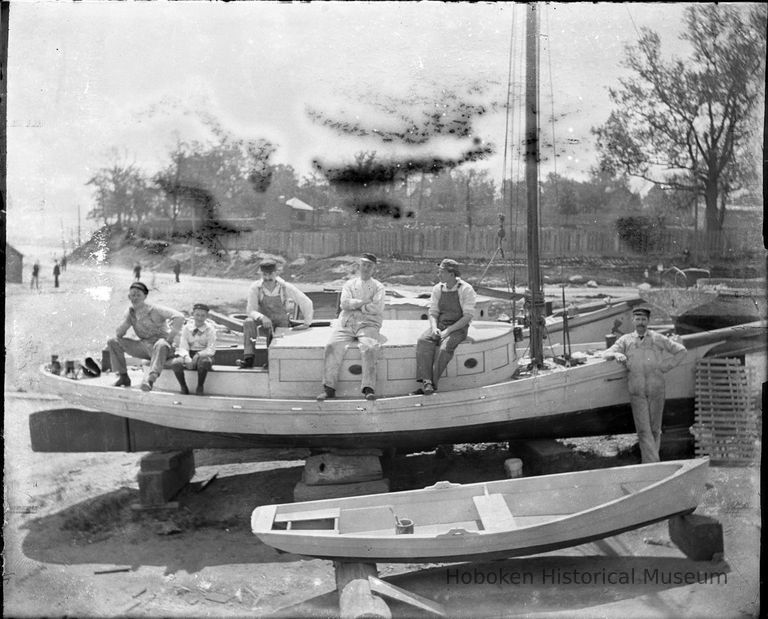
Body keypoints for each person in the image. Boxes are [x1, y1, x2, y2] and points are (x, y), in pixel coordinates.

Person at [602, 305, 687, 463]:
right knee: (643, 430)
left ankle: (650, 463)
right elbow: (605, 354)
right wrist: (616, 354)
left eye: (643, 319)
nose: (640, 322)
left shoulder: (657, 338)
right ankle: (653, 464)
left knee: (655, 429)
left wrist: (665, 366)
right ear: (633, 320)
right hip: (637, 391)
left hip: (657, 389)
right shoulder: (625, 340)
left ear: (648, 321)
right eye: (638, 319)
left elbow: (681, 351)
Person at [317, 253, 385, 402]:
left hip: (369, 323)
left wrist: (356, 305)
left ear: (374, 269)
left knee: (370, 347)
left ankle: (368, 388)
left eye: (370, 266)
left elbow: (376, 308)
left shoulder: (378, 287)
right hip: (347, 322)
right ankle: (329, 388)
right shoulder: (349, 284)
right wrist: (364, 302)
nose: (366, 268)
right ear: (359, 266)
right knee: (331, 346)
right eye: (364, 264)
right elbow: (344, 304)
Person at [412, 258, 477, 395]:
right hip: (440, 324)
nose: (438, 275)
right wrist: (434, 327)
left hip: (458, 328)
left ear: (452, 274)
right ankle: (426, 381)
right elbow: (433, 312)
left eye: (442, 272)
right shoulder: (438, 288)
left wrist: (448, 331)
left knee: (444, 349)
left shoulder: (466, 289)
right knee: (423, 341)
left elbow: (467, 317)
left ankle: (433, 384)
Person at [106, 281, 185, 391]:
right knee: (113, 341)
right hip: (145, 347)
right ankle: (123, 377)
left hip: (163, 348)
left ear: (145, 296)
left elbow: (179, 317)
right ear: (129, 296)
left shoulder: (155, 309)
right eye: (132, 295)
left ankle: (150, 380)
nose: (135, 298)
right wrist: (127, 321)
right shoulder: (130, 312)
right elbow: (119, 334)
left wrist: (170, 339)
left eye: (138, 295)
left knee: (161, 343)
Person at [238, 259, 314, 369]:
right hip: (264, 322)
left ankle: (271, 362)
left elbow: (306, 302)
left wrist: (307, 323)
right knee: (248, 322)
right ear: (260, 273)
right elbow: (250, 310)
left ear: (276, 273)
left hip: (281, 322)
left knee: (276, 338)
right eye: (265, 274)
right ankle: (248, 359)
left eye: (270, 274)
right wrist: (262, 317)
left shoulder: (285, 287)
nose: (268, 278)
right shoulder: (255, 288)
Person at [171, 303, 217, 395]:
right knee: (176, 363)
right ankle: (183, 386)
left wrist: (198, 355)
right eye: (197, 315)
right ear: (193, 315)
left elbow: (211, 348)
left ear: (206, 316)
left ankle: (200, 386)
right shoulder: (187, 328)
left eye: (203, 315)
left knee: (204, 363)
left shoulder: (210, 329)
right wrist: (187, 357)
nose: (199, 318)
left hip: (204, 354)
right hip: (189, 353)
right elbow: (183, 345)